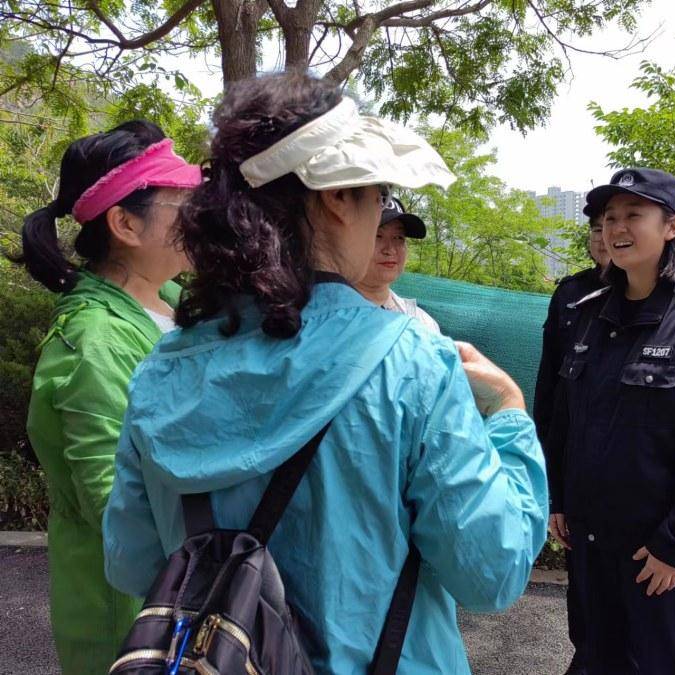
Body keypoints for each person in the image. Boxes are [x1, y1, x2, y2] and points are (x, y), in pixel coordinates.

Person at [102, 72, 548, 675]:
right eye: (379, 195)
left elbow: (131, 563)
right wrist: (511, 415)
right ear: (337, 197)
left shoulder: (163, 368)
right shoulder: (413, 363)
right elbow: (491, 573)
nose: (380, 215)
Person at [14, 121, 200, 673]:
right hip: (129, 614)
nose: (200, 216)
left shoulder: (167, 299)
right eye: (182, 202)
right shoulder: (93, 342)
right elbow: (115, 508)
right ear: (125, 223)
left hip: (184, 590)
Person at [550, 168, 675, 675]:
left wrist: (674, 548)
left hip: (653, 552)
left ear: (672, 227)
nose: (618, 227)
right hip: (590, 542)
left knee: (662, 664)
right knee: (594, 658)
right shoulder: (589, 313)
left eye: (634, 215)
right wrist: (559, 501)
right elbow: (568, 421)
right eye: (610, 217)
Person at [533, 212, 610, 674]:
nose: (607, 237)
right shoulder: (571, 295)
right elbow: (552, 393)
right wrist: (554, 486)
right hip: (581, 472)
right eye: (599, 227)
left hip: (639, 491)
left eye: (621, 224)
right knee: (584, 596)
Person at [355, 197, 441, 333]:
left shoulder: (422, 324)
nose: (390, 249)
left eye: (398, 237)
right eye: (378, 235)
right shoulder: (321, 317)